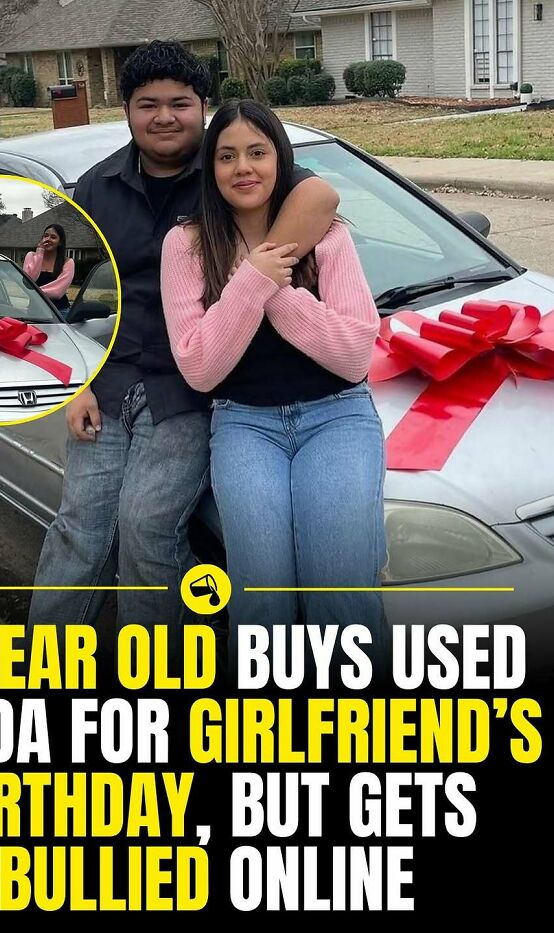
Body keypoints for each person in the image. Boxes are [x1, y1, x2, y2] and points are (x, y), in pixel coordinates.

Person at [27, 41, 340, 654]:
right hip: (110, 380)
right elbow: (68, 296)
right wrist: (78, 382)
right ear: (127, 111)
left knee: (146, 525)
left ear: (203, 107)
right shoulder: (94, 189)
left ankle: (152, 671)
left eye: (180, 103)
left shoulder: (232, 170)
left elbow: (320, 198)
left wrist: (254, 274)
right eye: (148, 104)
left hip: (194, 384)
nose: (165, 117)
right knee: (80, 527)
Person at [160, 99, 387, 670]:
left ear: (279, 159)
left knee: (341, 595)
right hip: (244, 423)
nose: (244, 168)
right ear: (209, 169)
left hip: (337, 415)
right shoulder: (184, 246)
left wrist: (272, 287)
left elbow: (355, 352)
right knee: (260, 599)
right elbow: (200, 366)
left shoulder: (328, 235)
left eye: (258, 153)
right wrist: (249, 282)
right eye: (227, 155)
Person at [23, 223, 75, 316]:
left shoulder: (67, 262)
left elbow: (57, 292)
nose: (48, 239)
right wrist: (39, 253)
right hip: (34, 311)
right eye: (46, 236)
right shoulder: (31, 256)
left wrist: (33, 292)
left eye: (53, 237)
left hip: (60, 312)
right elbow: (29, 281)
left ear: (60, 242)